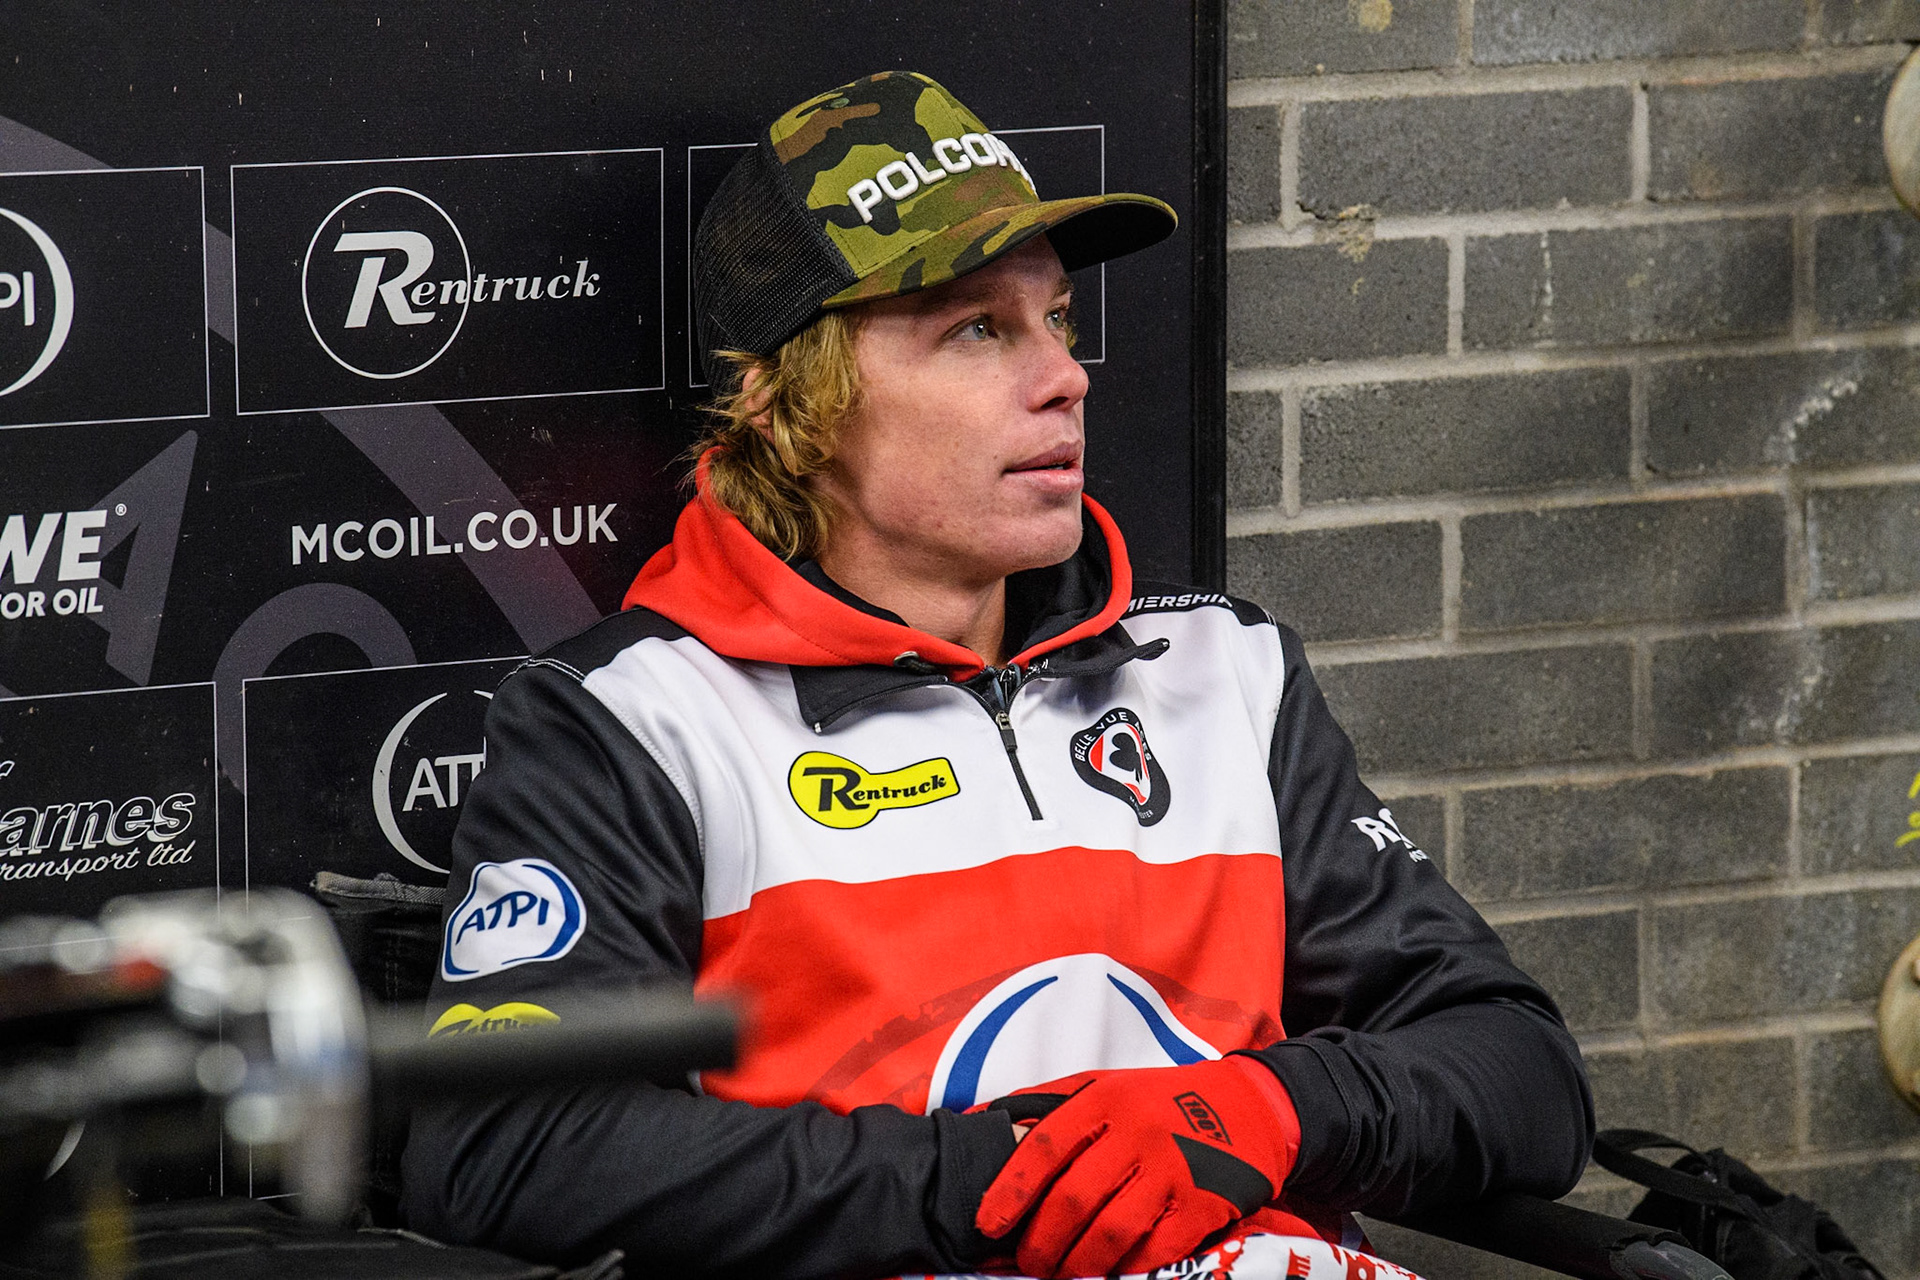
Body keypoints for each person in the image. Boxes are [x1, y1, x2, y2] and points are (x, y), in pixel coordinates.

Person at [401, 70, 1594, 1279]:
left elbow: (1525, 1075)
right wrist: (1020, 1176)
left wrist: (1262, 1114)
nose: (1064, 375)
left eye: (1057, 320)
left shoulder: (1224, 668)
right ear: (787, 403)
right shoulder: (634, 717)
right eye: (977, 329)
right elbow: (506, 1146)